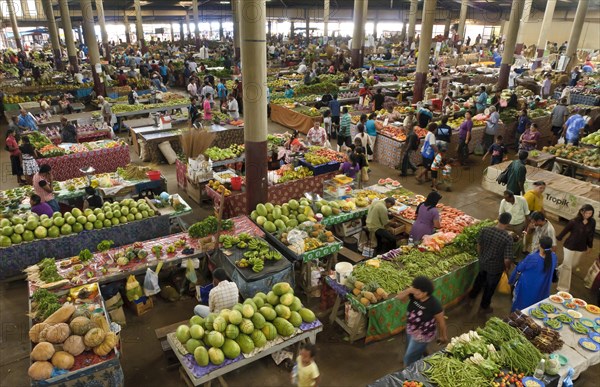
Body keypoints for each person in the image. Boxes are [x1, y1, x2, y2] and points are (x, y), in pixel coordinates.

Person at [467, 212, 514, 314]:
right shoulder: (507, 238)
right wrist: (507, 268)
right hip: (495, 268)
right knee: (489, 287)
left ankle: (471, 298)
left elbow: (479, 245)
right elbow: (507, 259)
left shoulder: (485, 230)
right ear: (508, 223)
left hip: (483, 263)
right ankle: (484, 306)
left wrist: (482, 256)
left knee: (479, 280)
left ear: (498, 218)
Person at [396, 276, 447, 367]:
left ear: (425, 293)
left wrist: (443, 336)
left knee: (409, 358)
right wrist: (408, 291)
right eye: (414, 290)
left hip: (423, 334)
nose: (415, 294)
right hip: (411, 329)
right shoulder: (414, 295)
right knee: (409, 347)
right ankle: (421, 353)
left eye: (418, 292)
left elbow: (441, 322)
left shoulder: (434, 304)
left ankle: (409, 370)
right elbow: (399, 298)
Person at [509, 236, 558, 312]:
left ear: (540, 245)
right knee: (534, 307)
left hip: (527, 287)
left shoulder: (533, 258)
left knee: (521, 305)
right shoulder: (553, 257)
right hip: (542, 288)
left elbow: (520, 268)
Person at [556, 205, 596, 292]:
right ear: (582, 212)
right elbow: (565, 230)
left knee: (573, 264)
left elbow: (591, 235)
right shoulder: (574, 221)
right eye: (587, 213)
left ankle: (558, 270)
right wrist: (559, 238)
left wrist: (590, 246)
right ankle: (563, 288)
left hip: (581, 247)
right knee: (567, 267)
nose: (589, 215)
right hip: (569, 246)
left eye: (591, 213)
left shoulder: (592, 222)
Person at [499, 190, 531, 258]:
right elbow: (501, 215)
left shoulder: (522, 200)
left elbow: (527, 214)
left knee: (519, 242)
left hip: (519, 225)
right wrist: (503, 226)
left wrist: (526, 227)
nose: (505, 200)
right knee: (508, 240)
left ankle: (517, 257)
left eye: (507, 199)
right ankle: (508, 255)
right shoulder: (503, 202)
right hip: (508, 226)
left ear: (511, 197)